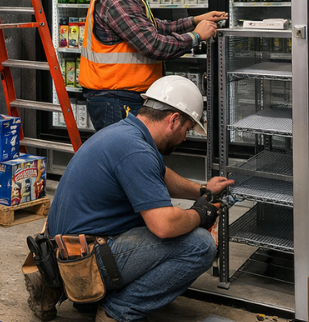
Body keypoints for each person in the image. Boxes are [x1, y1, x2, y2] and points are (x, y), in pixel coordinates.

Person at [25, 76, 235, 322]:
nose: (185, 138)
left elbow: (161, 176)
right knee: (199, 245)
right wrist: (201, 213)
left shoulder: (125, 133)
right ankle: (118, 311)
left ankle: (55, 286)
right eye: (187, 129)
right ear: (173, 119)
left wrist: (204, 191)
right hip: (81, 260)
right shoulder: (136, 151)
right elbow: (164, 226)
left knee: (146, 219)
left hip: (59, 250)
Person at [79, 0, 227, 130]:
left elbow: (156, 27)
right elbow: (153, 45)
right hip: (115, 98)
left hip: (122, 95)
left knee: (132, 156)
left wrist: (194, 20)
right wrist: (196, 36)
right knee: (124, 158)